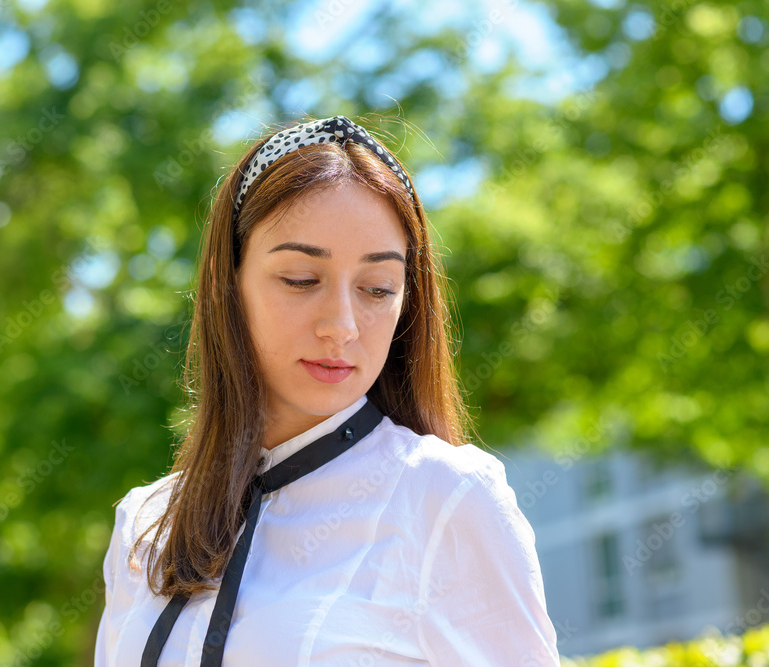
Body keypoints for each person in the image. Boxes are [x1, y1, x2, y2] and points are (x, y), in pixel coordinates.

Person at [94, 115, 561, 666]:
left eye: (377, 288)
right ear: (228, 282)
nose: (341, 325)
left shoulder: (446, 498)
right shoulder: (147, 521)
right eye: (301, 279)